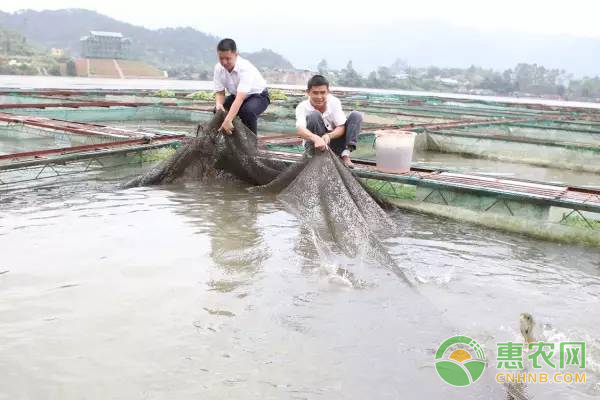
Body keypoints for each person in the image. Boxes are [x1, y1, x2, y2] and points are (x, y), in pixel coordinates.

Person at [295, 75, 362, 167]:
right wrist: (316, 138)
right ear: (308, 92)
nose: (319, 97)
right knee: (314, 115)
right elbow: (300, 130)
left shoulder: (334, 102)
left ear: (328, 92)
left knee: (356, 115)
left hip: (334, 143)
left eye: (323, 92)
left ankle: (345, 155)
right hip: (316, 145)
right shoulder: (302, 107)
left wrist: (329, 136)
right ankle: (316, 156)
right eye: (315, 93)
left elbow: (341, 126)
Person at [213, 38, 270, 135]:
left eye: (228, 58)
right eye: (221, 58)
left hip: (258, 96)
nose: (224, 62)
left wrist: (228, 119)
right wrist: (219, 104)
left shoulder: (245, 67)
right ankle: (231, 140)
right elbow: (220, 92)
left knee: (247, 111)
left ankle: (251, 145)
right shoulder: (218, 68)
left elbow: (240, 98)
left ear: (236, 54)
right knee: (218, 110)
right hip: (236, 96)